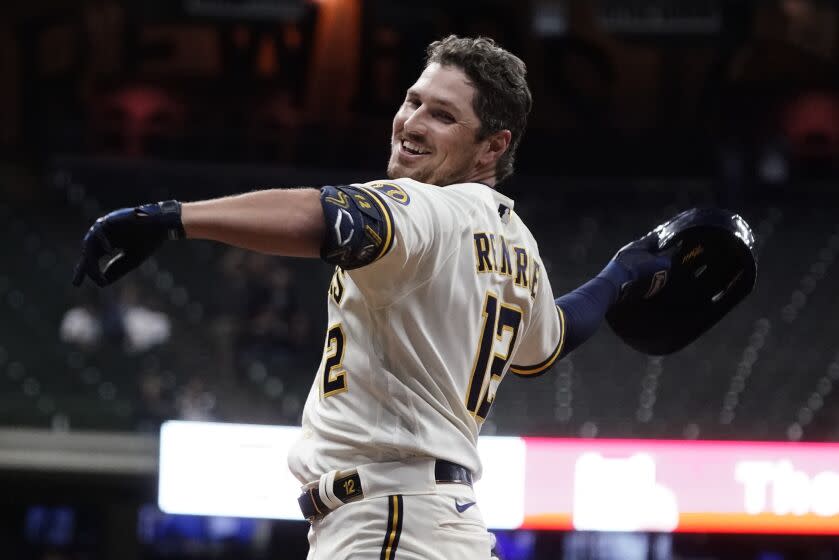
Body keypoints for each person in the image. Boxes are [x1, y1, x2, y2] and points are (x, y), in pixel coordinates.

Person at [73, 35, 669, 559]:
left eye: (442, 115)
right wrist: (618, 275)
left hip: (390, 522)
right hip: (435, 523)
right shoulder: (517, 240)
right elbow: (548, 342)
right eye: (413, 101)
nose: (412, 121)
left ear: (492, 147)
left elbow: (330, 216)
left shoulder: (430, 207)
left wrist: (172, 217)